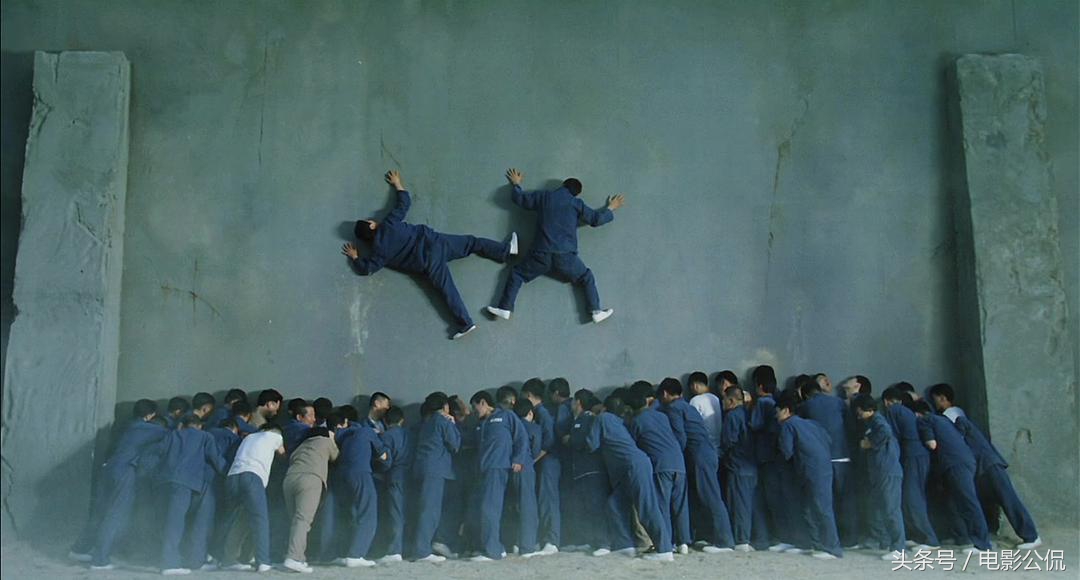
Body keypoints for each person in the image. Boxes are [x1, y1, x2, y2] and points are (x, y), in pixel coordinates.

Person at [343, 170, 518, 340]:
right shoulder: (388, 224)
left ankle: (466, 323)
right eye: (370, 221)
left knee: (448, 291)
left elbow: (366, 269)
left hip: (427, 263)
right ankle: (506, 250)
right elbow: (404, 204)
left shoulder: (379, 253)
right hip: (436, 243)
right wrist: (397, 183)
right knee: (472, 243)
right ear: (371, 225)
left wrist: (355, 256)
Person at [486, 168, 624, 324]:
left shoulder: (544, 197)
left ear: (563, 185)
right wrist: (611, 207)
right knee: (586, 277)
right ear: (576, 193)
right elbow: (596, 220)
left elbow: (520, 199)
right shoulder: (576, 203)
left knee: (517, 275)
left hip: (540, 254)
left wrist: (516, 184)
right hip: (565, 257)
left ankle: (505, 308)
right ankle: (595, 311)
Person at [928, 384, 1041, 549]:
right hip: (983, 463)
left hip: (986, 463)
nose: (935, 404)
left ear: (942, 398)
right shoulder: (956, 414)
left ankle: (1031, 536)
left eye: (935, 399)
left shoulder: (950, 416)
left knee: (1008, 499)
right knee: (1003, 499)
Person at [70, 400, 169, 570]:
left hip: (108, 468)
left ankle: (79, 549)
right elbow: (171, 433)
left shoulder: (128, 425)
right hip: (124, 471)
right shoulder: (148, 428)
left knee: (99, 512)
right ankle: (100, 560)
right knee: (116, 514)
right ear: (150, 415)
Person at [586, 395, 673, 561]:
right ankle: (625, 546)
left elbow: (591, 444)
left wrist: (589, 421)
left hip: (633, 467)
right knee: (614, 504)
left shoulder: (602, 418)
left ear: (604, 408)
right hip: (632, 467)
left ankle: (664, 550)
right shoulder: (620, 422)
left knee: (647, 508)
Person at [657, 377, 735, 552]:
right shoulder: (688, 406)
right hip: (707, 453)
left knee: (711, 497)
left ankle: (725, 541)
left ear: (665, 394)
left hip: (699, 455)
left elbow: (680, 438)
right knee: (707, 495)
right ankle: (712, 537)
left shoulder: (673, 409)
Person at [911, 400, 991, 553]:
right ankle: (964, 537)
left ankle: (982, 544)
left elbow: (932, 444)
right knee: (958, 501)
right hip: (965, 461)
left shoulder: (924, 421)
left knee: (968, 502)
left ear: (917, 414)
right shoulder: (944, 420)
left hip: (954, 463)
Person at [156, 415, 228, 575]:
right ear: (200, 426)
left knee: (169, 520)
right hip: (186, 483)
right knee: (176, 522)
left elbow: (158, 452)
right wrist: (230, 474)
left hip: (165, 481)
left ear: (183, 425)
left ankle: (176, 560)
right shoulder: (205, 437)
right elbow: (216, 460)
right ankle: (169, 564)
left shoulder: (172, 434)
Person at [775, 390, 844, 559]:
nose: (776, 416)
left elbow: (787, 452)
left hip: (810, 469)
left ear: (786, 411)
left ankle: (833, 548)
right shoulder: (811, 423)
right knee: (812, 508)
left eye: (777, 411)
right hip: (823, 467)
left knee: (821, 509)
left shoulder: (787, 426)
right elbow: (828, 439)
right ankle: (817, 544)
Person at [624, 391, 691, 553]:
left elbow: (633, 446)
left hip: (661, 465)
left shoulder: (636, 421)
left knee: (662, 506)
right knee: (680, 505)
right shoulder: (662, 416)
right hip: (679, 462)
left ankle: (666, 543)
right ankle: (683, 543)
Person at [468, 391, 530, 562]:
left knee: (489, 509)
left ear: (483, 402)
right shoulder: (481, 424)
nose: (473, 411)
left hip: (497, 468)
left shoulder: (506, 416)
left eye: (474, 407)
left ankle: (492, 551)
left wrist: (518, 459)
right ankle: (497, 547)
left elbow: (522, 437)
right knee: (486, 509)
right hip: (483, 471)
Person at [798, 378, 857, 547]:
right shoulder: (838, 403)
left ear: (805, 394)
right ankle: (850, 539)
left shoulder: (805, 407)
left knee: (824, 502)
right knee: (846, 500)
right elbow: (850, 426)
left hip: (821, 459)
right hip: (843, 456)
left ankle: (828, 539)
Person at [219, 423, 286, 572]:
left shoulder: (248, 438)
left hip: (232, 476)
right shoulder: (275, 435)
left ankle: (226, 559)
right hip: (252, 476)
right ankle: (263, 561)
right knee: (260, 519)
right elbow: (283, 454)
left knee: (235, 519)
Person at [881, 387, 939, 550]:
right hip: (919, 454)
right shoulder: (906, 411)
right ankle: (919, 536)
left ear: (886, 401)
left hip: (912, 454)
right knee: (914, 495)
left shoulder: (893, 410)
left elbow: (891, 436)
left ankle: (929, 539)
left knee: (912, 497)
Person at [851, 394, 906, 560]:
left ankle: (899, 548)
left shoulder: (878, 421)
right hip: (879, 472)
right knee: (878, 508)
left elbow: (885, 433)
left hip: (887, 471)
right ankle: (884, 541)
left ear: (869, 410)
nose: (858, 416)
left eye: (860, 412)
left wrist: (869, 443)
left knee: (891, 509)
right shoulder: (871, 422)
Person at [333, 410, 389, 567]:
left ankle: (343, 552)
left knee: (351, 513)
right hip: (361, 473)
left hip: (343, 475)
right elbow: (383, 456)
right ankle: (356, 554)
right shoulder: (366, 431)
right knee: (368, 513)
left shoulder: (343, 436)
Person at [410, 393, 461, 562]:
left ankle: (428, 545)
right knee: (430, 511)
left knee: (427, 508)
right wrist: (452, 423)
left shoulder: (426, 422)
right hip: (435, 470)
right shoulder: (442, 421)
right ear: (445, 406)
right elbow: (455, 444)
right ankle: (422, 551)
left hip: (423, 468)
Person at [282, 427, 340, 573]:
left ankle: (299, 558)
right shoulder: (325, 441)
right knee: (303, 520)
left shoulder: (301, 446)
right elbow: (336, 456)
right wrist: (333, 439)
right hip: (310, 478)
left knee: (295, 520)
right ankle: (294, 558)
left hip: (289, 479)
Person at [565, 389, 611, 553]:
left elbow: (580, 442)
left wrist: (569, 439)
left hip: (590, 470)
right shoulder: (586, 418)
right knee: (586, 508)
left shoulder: (585, 419)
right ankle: (590, 541)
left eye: (573, 401)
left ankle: (603, 543)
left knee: (596, 507)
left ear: (578, 402)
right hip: (584, 471)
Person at [521, 378, 561, 554]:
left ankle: (552, 540)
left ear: (529, 395)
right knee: (541, 500)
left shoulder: (542, 413)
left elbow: (549, 441)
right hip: (541, 463)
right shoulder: (537, 412)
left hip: (548, 462)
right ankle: (544, 538)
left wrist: (531, 461)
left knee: (548, 500)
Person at [719, 386, 756, 551]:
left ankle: (741, 539)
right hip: (751, 465)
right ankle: (747, 538)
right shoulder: (749, 413)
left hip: (737, 465)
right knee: (748, 504)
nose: (722, 403)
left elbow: (728, 441)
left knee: (738, 504)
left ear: (731, 400)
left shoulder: (732, 416)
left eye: (724, 400)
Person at [376, 407, 411, 563]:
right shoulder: (409, 434)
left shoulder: (386, 436)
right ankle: (406, 547)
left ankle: (394, 550)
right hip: (409, 476)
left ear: (385, 421)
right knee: (406, 512)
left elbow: (386, 460)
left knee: (395, 514)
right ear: (402, 420)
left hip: (394, 476)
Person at [509, 400, 543, 558]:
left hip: (509, 468)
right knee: (528, 506)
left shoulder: (510, 426)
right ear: (530, 413)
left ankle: (515, 542)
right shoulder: (533, 428)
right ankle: (527, 545)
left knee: (514, 504)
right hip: (525, 467)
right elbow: (536, 450)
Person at [688, 371, 723, 454]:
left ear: (695, 385)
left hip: (704, 447)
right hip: (718, 445)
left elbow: (691, 424)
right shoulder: (716, 398)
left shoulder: (695, 400)